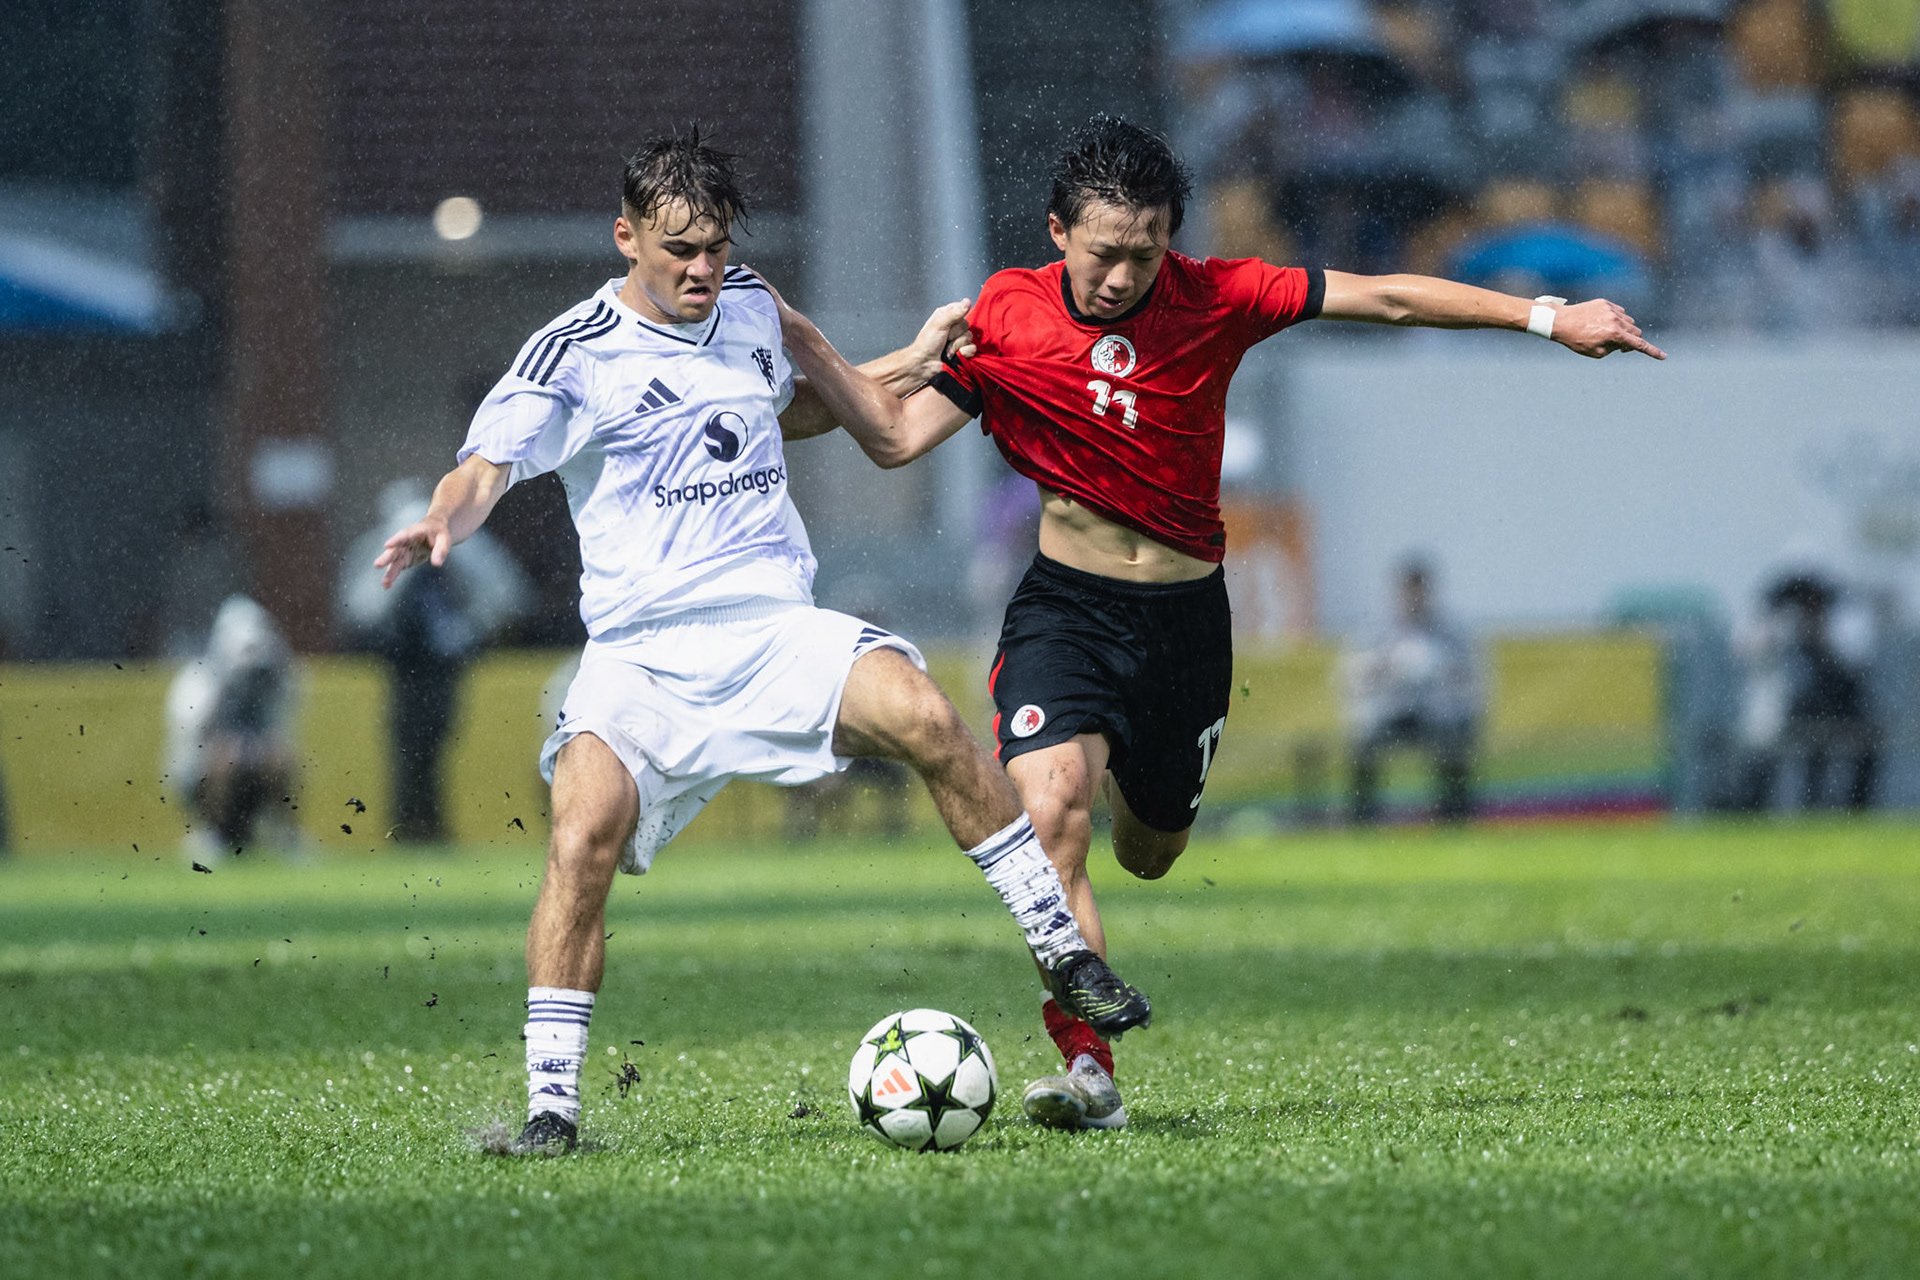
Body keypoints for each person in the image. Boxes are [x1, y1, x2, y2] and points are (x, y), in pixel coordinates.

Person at [776, 114, 1664, 1131]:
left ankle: (1122, 796)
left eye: (1145, 252)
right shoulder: (1006, 313)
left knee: (1151, 850)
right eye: (1104, 252)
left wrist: (1548, 318)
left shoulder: (1221, 295)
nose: (1122, 276)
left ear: (1172, 239)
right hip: (1065, 612)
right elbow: (892, 438)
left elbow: (1385, 296)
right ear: (1058, 232)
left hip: (1185, 624)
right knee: (1051, 813)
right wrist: (846, 349)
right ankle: (1089, 1068)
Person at [373, 132, 1149, 1156]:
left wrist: (912, 362)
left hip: (774, 628)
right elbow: (483, 468)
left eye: (717, 245)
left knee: (927, 716)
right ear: (626, 237)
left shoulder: (748, 303)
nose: (703, 268)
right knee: (581, 835)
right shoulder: (572, 353)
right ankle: (551, 1109)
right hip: (642, 655)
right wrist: (442, 519)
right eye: (680, 249)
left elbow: (792, 411)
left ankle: (1065, 954)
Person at [340, 479, 532, 842]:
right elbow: (362, 610)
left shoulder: (465, 550)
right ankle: (410, 826)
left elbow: (508, 596)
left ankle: (426, 825)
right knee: (408, 746)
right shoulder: (380, 548)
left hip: (443, 664)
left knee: (432, 745)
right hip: (404, 663)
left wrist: (464, 631)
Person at [1342, 558, 1483, 824]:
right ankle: (1362, 820)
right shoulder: (1377, 630)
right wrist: (1388, 666)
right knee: (1364, 745)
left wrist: (1439, 671)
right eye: (1409, 590)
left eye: (1420, 590)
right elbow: (1355, 678)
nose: (1415, 598)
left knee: (1453, 745)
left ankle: (1454, 819)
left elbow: (1471, 679)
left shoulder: (1452, 631)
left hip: (1436, 715)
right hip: (1391, 713)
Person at [1732, 570, 1879, 811]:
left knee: (1856, 752)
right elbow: (1749, 649)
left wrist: (1820, 634)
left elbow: (1854, 661)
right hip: (1794, 709)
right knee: (1779, 755)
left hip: (1839, 706)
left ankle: (1853, 808)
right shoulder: (1780, 625)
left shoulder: (1839, 624)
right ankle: (1763, 805)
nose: (1808, 606)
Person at [164, 594, 297, 858]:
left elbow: (282, 731)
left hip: (252, 775)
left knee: (279, 755)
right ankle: (213, 832)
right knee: (224, 755)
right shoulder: (197, 682)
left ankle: (284, 833)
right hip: (200, 778)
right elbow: (189, 746)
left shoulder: (273, 681)